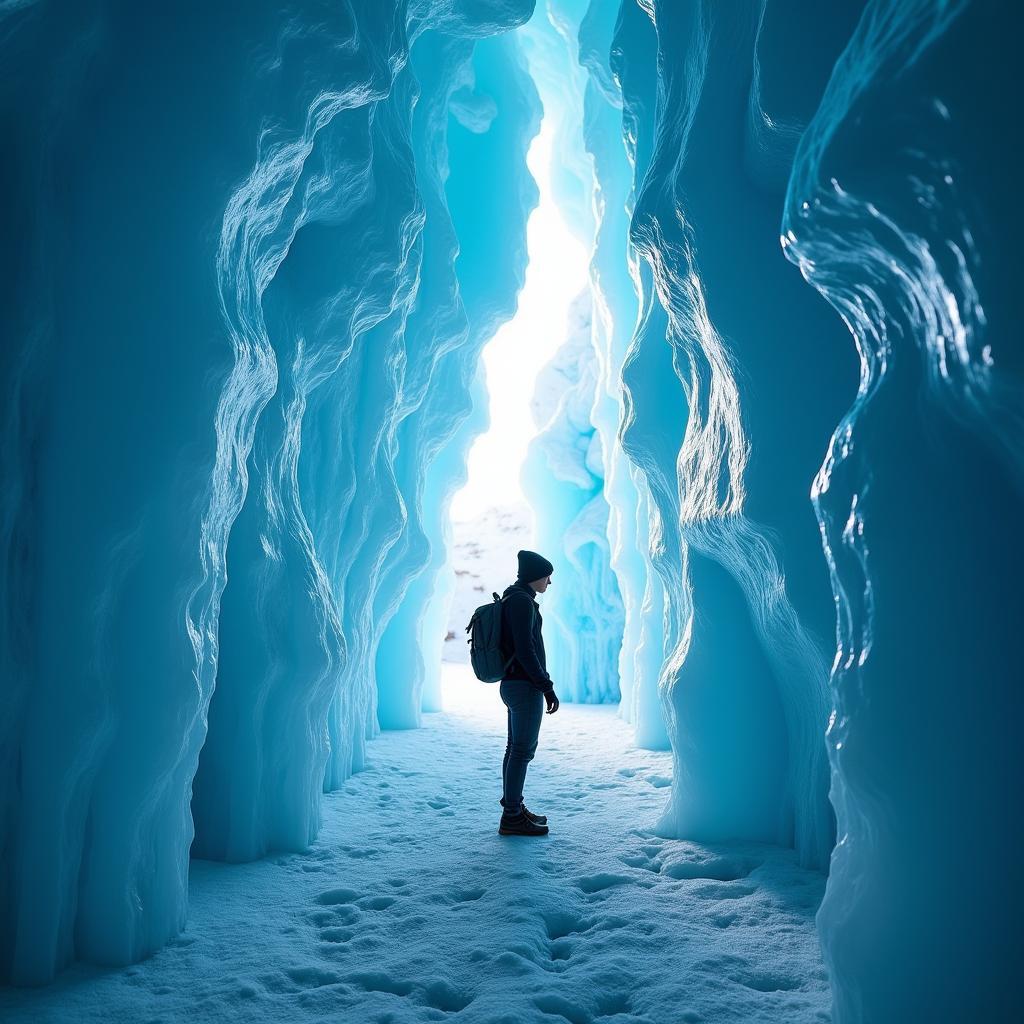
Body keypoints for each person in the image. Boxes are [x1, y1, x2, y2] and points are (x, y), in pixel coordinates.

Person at [497, 549, 559, 837]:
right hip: (524, 686)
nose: (549, 582)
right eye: (547, 576)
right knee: (521, 751)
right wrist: (545, 686)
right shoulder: (522, 602)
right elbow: (525, 649)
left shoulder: (515, 598)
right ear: (535, 575)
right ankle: (512, 817)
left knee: (515, 750)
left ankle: (514, 808)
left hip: (513, 684)